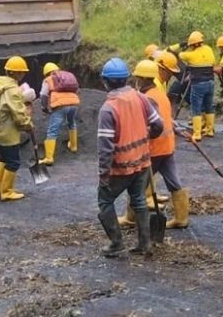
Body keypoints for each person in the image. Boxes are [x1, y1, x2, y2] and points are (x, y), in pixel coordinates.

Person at [96, 58, 163, 258]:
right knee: (139, 200)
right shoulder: (140, 98)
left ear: (105, 81)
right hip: (142, 161)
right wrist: (145, 137)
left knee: (105, 201)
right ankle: (145, 243)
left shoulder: (109, 108)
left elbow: (105, 147)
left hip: (120, 167)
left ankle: (116, 243)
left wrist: (103, 173)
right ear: (127, 79)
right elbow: (157, 125)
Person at [119, 60, 189, 229]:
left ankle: (131, 217)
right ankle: (181, 218)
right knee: (174, 182)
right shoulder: (160, 94)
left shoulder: (146, 98)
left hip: (153, 148)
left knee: (137, 183)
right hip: (167, 146)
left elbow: (153, 123)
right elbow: (167, 119)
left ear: (140, 78)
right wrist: (179, 130)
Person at [0, 56, 33, 201]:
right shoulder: (12, 90)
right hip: (7, 131)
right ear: (15, 73)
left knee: (3, 157)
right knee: (13, 161)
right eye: (22, 72)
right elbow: (18, 113)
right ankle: (6, 191)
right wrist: (28, 125)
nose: (23, 75)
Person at [38, 62, 81, 166]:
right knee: (72, 123)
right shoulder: (67, 77)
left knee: (52, 130)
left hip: (60, 105)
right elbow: (77, 89)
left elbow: (43, 94)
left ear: (46, 73)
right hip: (74, 103)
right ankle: (73, 146)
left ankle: (49, 158)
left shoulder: (48, 79)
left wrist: (44, 107)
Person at [178, 31, 216, 142]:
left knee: (196, 108)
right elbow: (213, 62)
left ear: (193, 44)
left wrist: (186, 48)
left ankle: (197, 133)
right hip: (211, 83)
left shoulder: (190, 55)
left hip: (198, 84)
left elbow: (180, 55)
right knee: (209, 106)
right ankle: (210, 130)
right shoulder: (209, 50)